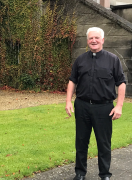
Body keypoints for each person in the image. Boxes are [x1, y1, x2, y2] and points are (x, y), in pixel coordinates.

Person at [65, 27, 126, 180]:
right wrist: (68, 102)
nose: (94, 40)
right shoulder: (80, 60)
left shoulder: (113, 59)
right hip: (82, 106)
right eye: (91, 38)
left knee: (103, 143)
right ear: (87, 41)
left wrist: (119, 106)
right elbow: (72, 80)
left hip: (104, 108)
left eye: (97, 38)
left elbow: (122, 83)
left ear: (103, 40)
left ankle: (105, 174)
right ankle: (80, 173)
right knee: (81, 141)